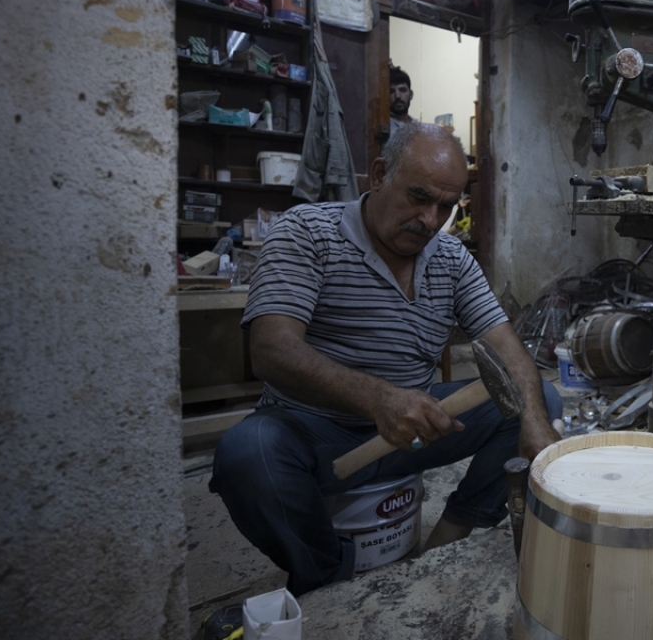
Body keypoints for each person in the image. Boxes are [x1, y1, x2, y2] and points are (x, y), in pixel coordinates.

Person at [211, 122, 561, 597]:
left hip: (414, 432)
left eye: (446, 205)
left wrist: (536, 425)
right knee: (247, 453)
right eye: (418, 196)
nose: (430, 219)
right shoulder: (308, 232)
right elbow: (272, 351)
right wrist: (378, 399)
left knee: (541, 403)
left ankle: (446, 539)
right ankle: (327, 579)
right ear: (379, 174)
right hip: (316, 433)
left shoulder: (451, 258)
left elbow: (506, 345)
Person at [388, 66, 415, 138]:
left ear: (411, 94)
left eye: (402, 90)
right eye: (391, 91)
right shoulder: (382, 125)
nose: (397, 96)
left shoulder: (417, 126)